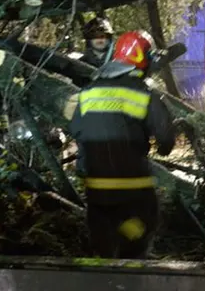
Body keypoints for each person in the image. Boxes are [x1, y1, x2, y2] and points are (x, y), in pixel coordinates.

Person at [69, 30, 174, 258]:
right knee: (146, 223)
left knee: (103, 235)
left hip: (95, 187)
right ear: (142, 58)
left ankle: (107, 266)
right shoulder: (145, 94)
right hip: (133, 186)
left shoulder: (88, 92)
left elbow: (75, 129)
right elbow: (166, 142)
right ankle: (129, 256)